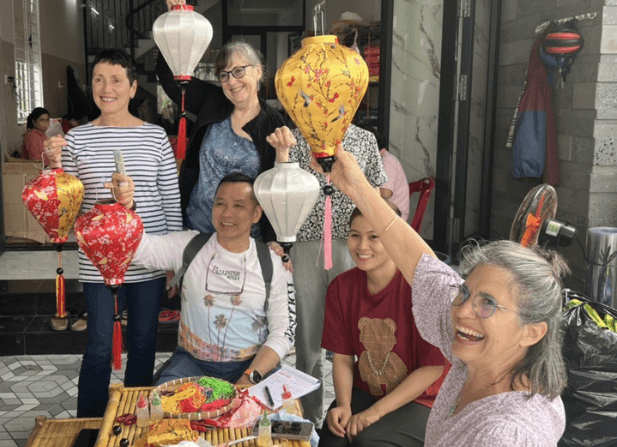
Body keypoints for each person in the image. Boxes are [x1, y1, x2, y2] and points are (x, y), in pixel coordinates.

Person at [314, 147, 568, 447]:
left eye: (488, 304)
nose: (463, 310)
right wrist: (357, 186)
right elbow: (424, 268)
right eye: (465, 293)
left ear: (532, 332)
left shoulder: (508, 439)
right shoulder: (471, 351)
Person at [44, 48, 182, 418]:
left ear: (133, 87)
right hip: (97, 260)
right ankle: (90, 427)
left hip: (147, 255)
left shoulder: (155, 137)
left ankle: (134, 423)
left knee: (142, 342)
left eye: (117, 80)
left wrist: (175, 262)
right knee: (100, 345)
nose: (107, 88)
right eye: (99, 80)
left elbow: (170, 199)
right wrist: (53, 165)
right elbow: (66, 200)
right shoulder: (76, 139)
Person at [111, 171, 296, 387]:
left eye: (238, 206)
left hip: (252, 367)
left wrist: (250, 377)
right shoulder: (189, 246)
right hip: (191, 366)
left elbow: (284, 331)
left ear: (256, 214)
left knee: (271, 418)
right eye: (220, 204)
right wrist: (127, 206)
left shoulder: (273, 263)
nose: (227, 213)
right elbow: (139, 249)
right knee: (163, 414)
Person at [314, 203, 448, 447]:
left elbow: (433, 368)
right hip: (367, 390)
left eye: (374, 237)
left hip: (422, 399)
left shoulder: (417, 289)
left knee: (369, 446)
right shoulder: (341, 287)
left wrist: (373, 414)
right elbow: (341, 358)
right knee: (331, 443)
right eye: (354, 235)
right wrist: (345, 406)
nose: (362, 246)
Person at [275, 124, 386, 426]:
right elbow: (281, 192)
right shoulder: (294, 138)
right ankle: (310, 419)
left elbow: (376, 195)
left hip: (353, 245)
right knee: (308, 339)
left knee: (356, 333)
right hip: (305, 244)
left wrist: (377, 246)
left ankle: (354, 413)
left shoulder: (364, 139)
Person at [156, 8, 288, 239]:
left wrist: (273, 240)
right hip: (197, 227)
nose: (231, 81)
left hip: (246, 237)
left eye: (238, 71)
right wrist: (173, 25)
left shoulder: (274, 123)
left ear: (258, 71)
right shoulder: (212, 99)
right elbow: (169, 77)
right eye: (224, 75)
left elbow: (279, 188)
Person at [357, 123, 409, 221]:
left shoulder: (387, 160)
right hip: (383, 212)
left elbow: (385, 193)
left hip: (394, 216)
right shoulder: (377, 160)